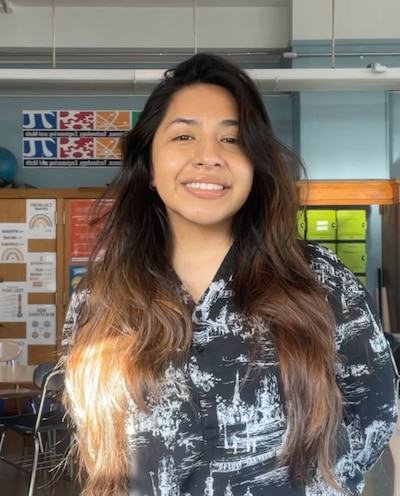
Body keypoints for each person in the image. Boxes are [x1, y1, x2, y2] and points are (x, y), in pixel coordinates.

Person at [61, 53, 398, 496]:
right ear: (148, 168)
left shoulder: (318, 280)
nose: (208, 157)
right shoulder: (103, 295)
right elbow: (97, 434)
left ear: (255, 167)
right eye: (183, 135)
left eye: (233, 140)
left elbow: (375, 408)